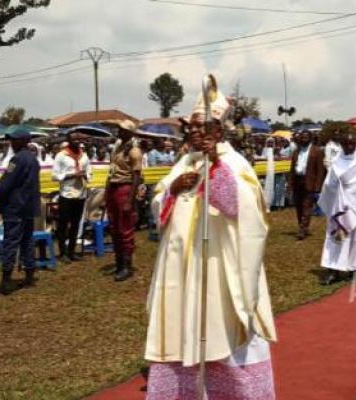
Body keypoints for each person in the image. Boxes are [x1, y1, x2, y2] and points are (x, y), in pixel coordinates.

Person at [145, 75, 277, 399]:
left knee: (221, 334)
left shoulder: (235, 163)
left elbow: (247, 210)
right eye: (190, 129)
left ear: (217, 131)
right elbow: (158, 202)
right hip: (181, 273)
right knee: (180, 333)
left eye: (200, 128)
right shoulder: (184, 163)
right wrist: (172, 192)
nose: (192, 134)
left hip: (219, 270)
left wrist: (215, 167)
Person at [318, 130, 356, 285]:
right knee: (335, 236)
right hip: (337, 205)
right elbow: (329, 181)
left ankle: (355, 269)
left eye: (352, 143)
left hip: (355, 205)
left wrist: (350, 188)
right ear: (341, 145)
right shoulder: (337, 159)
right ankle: (333, 270)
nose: (349, 146)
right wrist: (335, 187)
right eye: (345, 144)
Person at [0, 127, 41, 295]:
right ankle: (30, 275)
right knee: (27, 241)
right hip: (29, 207)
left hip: (15, 207)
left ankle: (6, 281)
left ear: (24, 141)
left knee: (11, 242)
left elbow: (5, 184)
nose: (11, 142)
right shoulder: (33, 160)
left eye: (15, 139)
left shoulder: (16, 160)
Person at [105, 120, 142, 282]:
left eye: (122, 129)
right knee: (114, 227)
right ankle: (119, 262)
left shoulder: (134, 151)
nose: (119, 131)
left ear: (130, 133)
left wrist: (129, 200)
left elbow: (136, 176)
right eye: (119, 129)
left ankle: (127, 266)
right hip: (113, 188)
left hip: (125, 188)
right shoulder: (118, 148)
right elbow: (111, 171)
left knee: (125, 228)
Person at [52, 133, 92, 261]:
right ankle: (62, 252)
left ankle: (71, 251)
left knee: (76, 223)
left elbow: (90, 172)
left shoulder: (84, 155)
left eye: (78, 139)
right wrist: (71, 175)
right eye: (73, 139)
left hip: (80, 193)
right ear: (68, 140)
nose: (76, 141)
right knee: (63, 224)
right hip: (66, 194)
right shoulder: (61, 155)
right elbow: (54, 175)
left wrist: (85, 175)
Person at [290, 130, 325, 240]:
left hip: (309, 181)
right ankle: (303, 226)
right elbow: (292, 169)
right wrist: (290, 183)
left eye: (305, 137)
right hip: (297, 181)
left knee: (307, 206)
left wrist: (318, 185)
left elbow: (320, 170)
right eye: (302, 137)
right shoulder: (296, 151)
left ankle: (302, 229)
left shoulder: (317, 151)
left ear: (310, 138)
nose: (303, 139)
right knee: (299, 206)